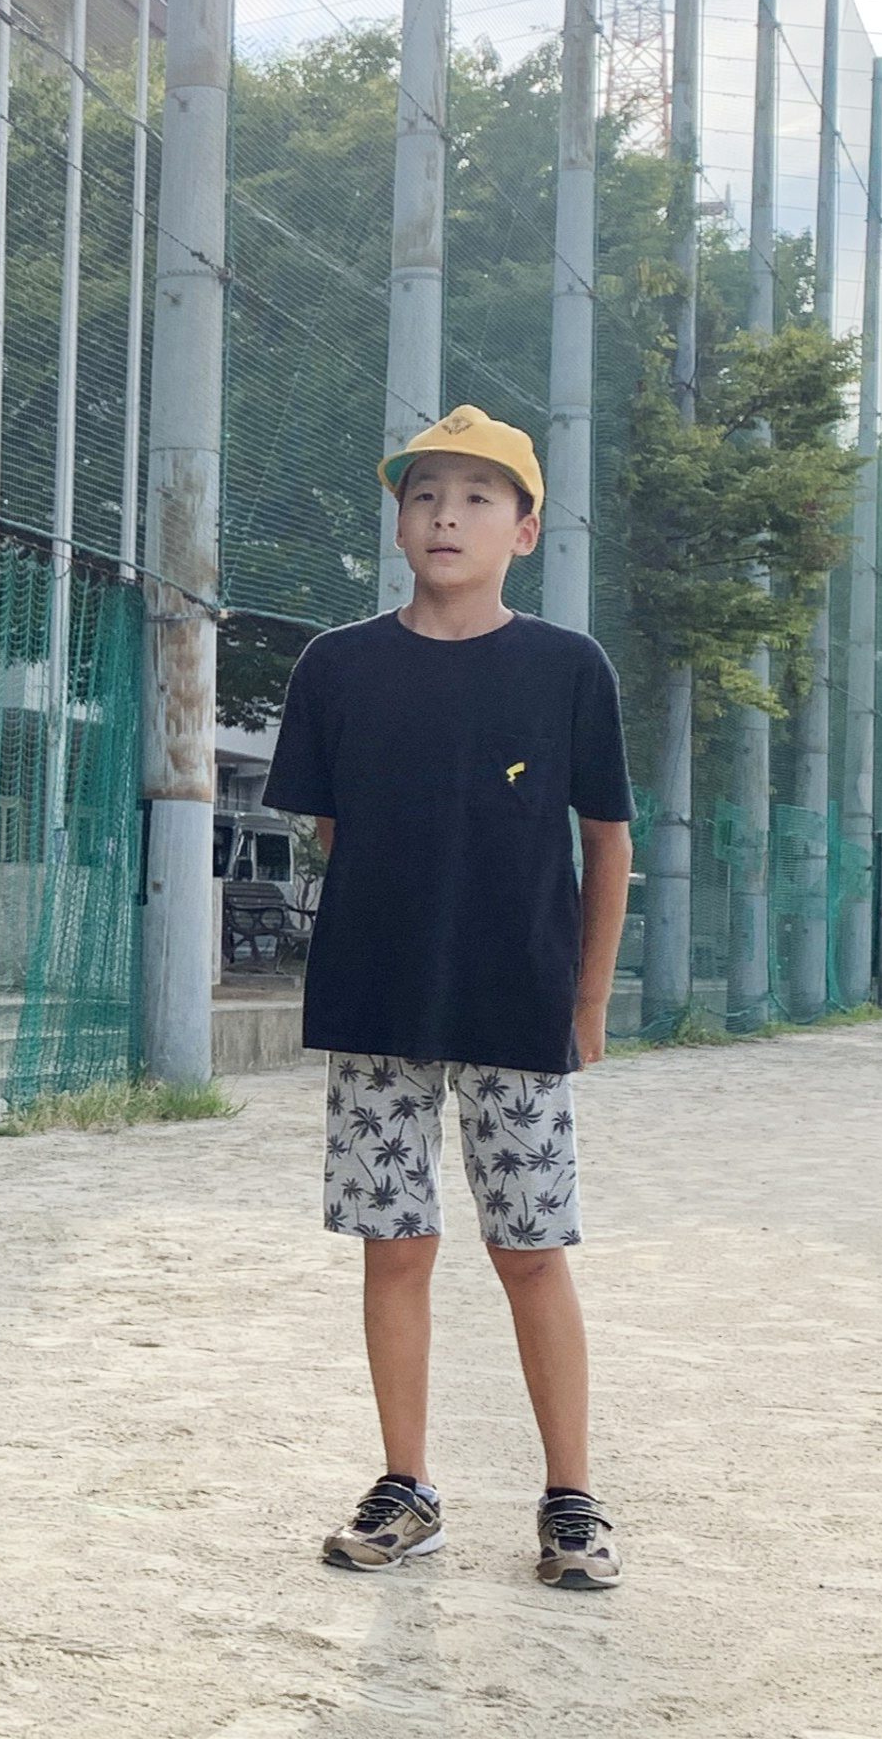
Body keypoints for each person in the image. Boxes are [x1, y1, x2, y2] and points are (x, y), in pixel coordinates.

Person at [262, 406, 636, 1590]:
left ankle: (569, 1496)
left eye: (477, 495)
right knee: (395, 1246)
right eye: (424, 492)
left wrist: (585, 993)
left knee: (530, 1247)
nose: (445, 514)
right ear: (397, 518)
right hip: (376, 1001)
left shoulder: (567, 667)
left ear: (522, 528)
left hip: (515, 1003)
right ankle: (405, 1484)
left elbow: (607, 837)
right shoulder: (336, 665)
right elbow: (333, 825)